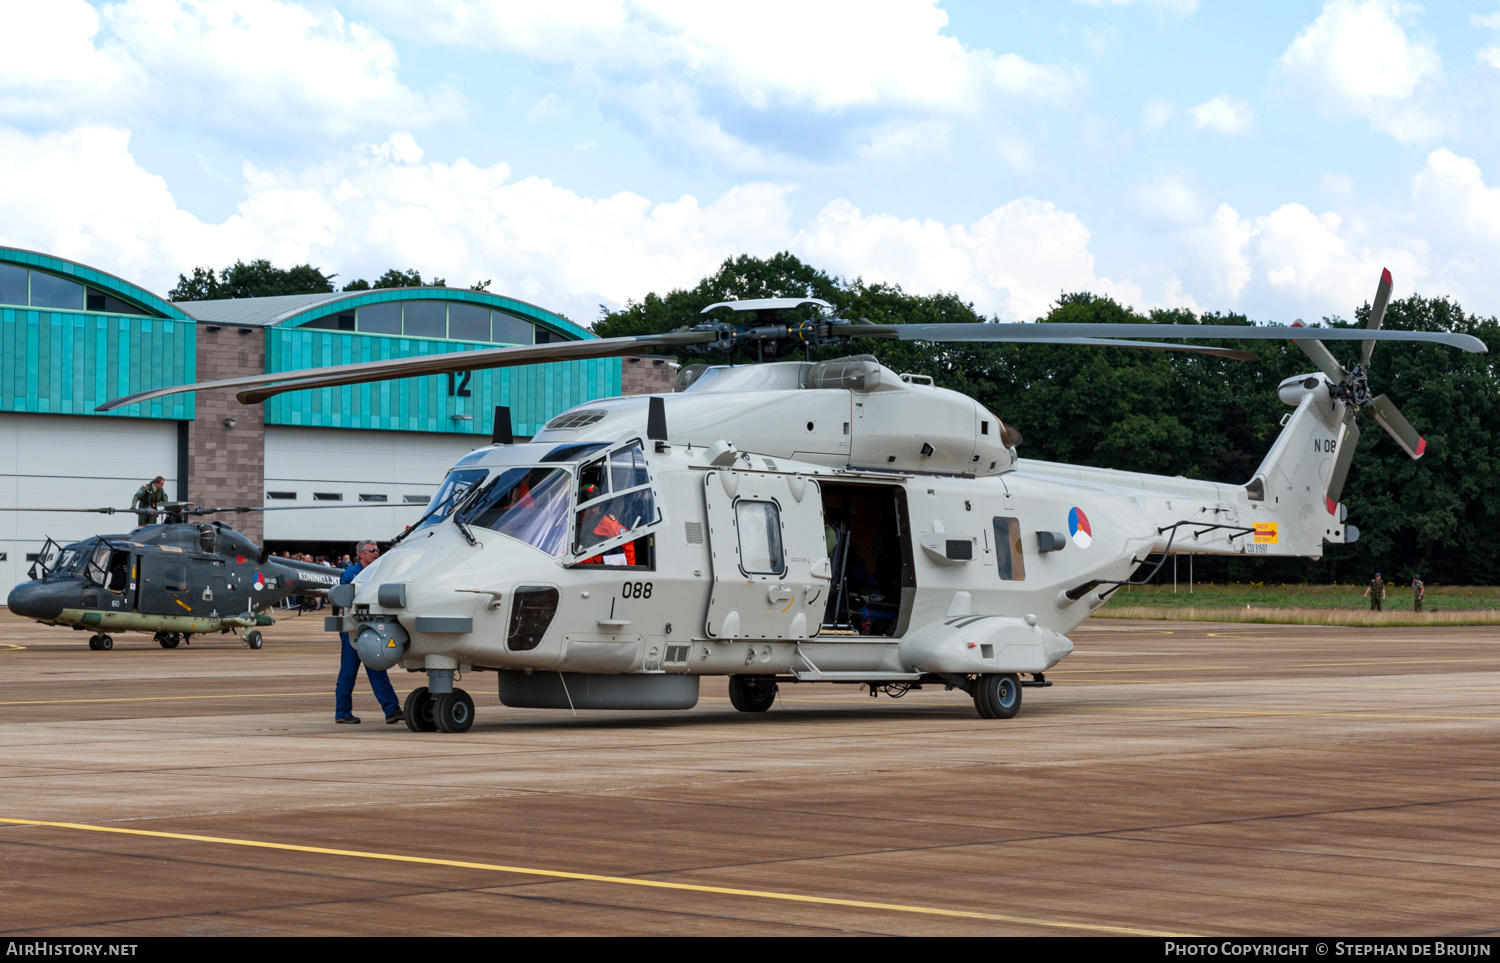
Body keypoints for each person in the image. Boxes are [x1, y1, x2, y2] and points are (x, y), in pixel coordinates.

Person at [335, 540, 402, 725]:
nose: (376, 553)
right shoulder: (350, 574)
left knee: (378, 669)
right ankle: (342, 712)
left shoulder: (380, 573)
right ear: (361, 554)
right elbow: (347, 600)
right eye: (372, 550)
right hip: (353, 629)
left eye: (377, 550)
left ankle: (392, 710)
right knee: (348, 672)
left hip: (373, 628)